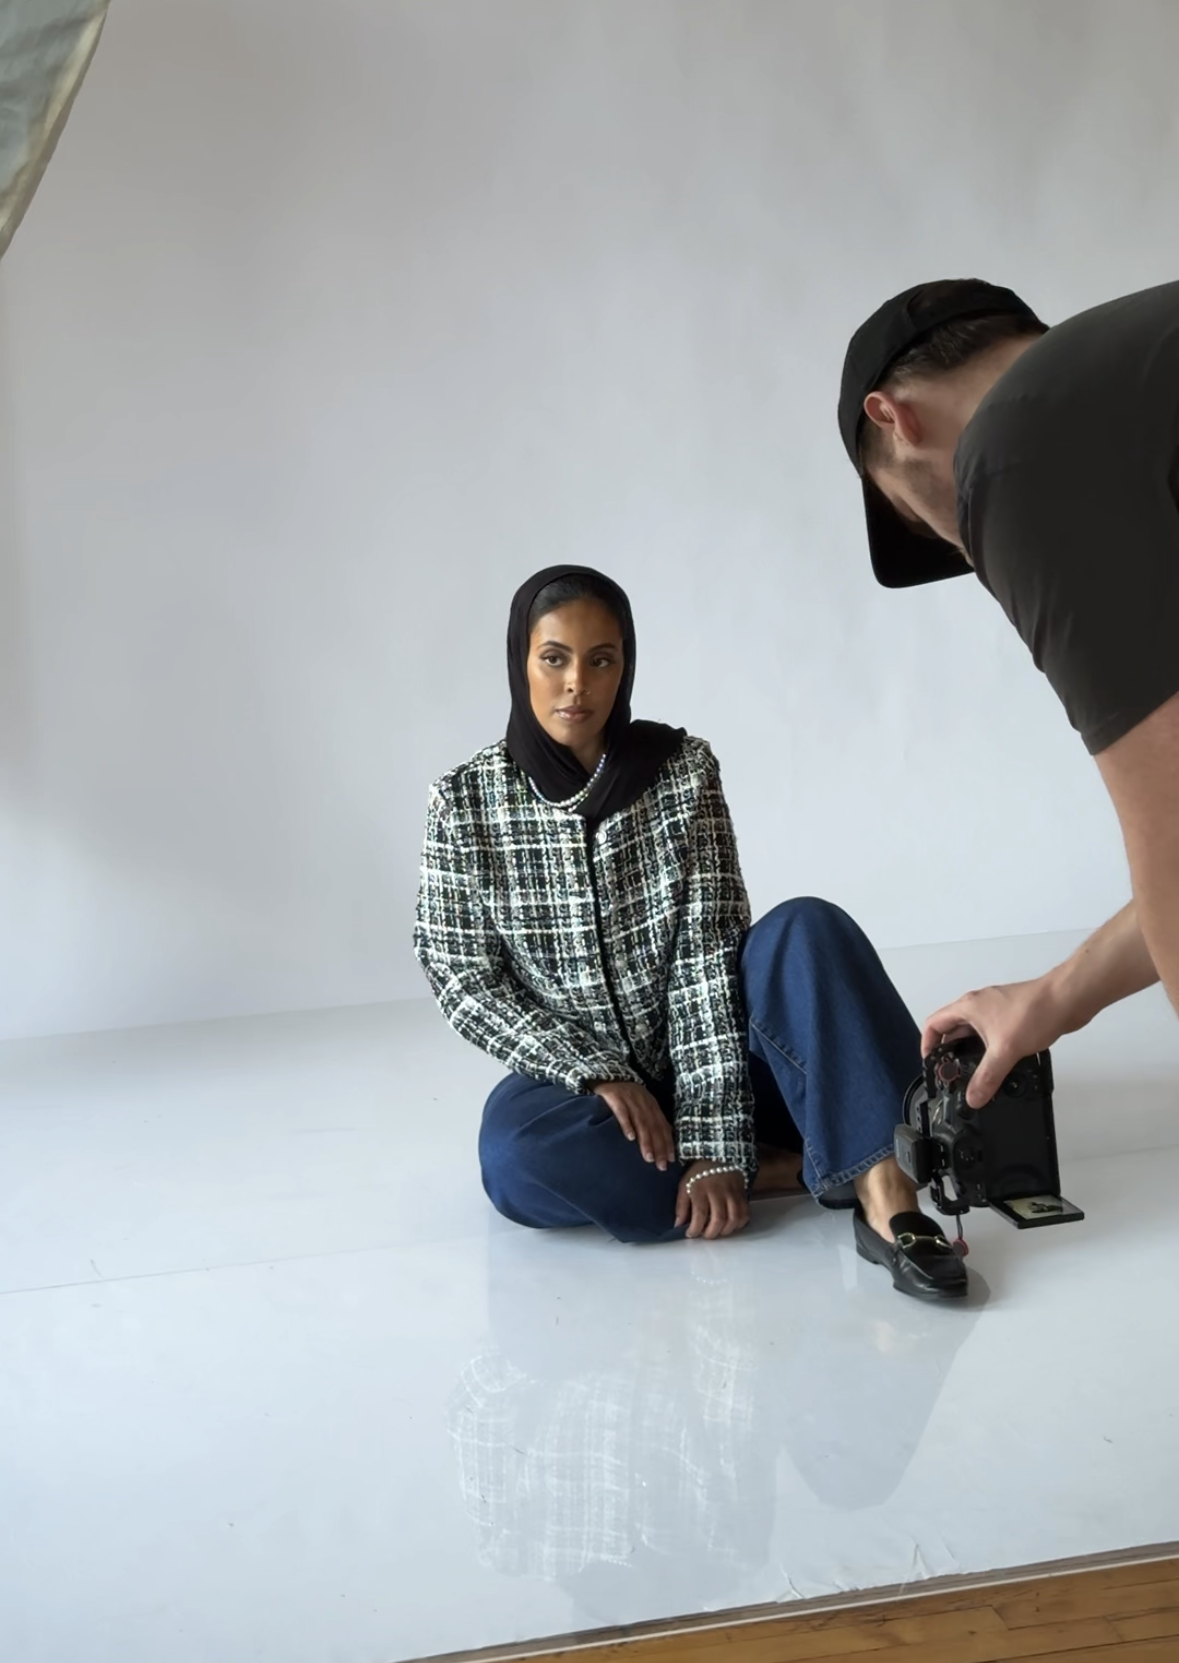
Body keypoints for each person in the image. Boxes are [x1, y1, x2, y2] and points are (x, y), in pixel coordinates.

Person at [413, 563, 967, 1301]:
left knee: (806, 929)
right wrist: (594, 1071)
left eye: (600, 659)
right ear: (521, 663)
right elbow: (463, 977)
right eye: (554, 658)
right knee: (515, 1156)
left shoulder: (680, 772)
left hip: (723, 1062)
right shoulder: (463, 804)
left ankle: (887, 1197)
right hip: (593, 1096)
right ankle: (800, 1162)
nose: (577, 683)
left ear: (624, 667)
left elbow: (707, 957)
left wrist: (709, 1140)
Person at [839, 276, 1179, 1106]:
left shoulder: (1017, 444)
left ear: (894, 417)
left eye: (922, 518)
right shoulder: (1132, 386)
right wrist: (1056, 996)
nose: (965, 547)